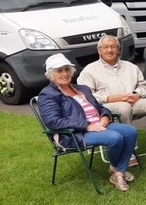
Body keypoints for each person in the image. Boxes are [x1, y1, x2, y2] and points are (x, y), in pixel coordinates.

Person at [38, 53, 138, 192]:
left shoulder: (82, 89)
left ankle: (118, 171)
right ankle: (117, 170)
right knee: (115, 138)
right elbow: (53, 121)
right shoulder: (48, 95)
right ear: (51, 74)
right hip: (73, 134)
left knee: (130, 132)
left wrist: (105, 117)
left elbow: (100, 107)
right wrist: (86, 125)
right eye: (59, 70)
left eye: (67, 69)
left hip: (99, 125)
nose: (64, 73)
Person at [77, 35, 146, 161]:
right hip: (106, 108)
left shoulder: (131, 67)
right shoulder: (89, 71)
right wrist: (110, 98)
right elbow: (86, 96)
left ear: (119, 50)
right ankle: (129, 150)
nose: (109, 50)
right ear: (99, 50)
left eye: (113, 47)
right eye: (105, 47)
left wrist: (137, 94)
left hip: (133, 103)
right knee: (123, 107)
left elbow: (144, 87)